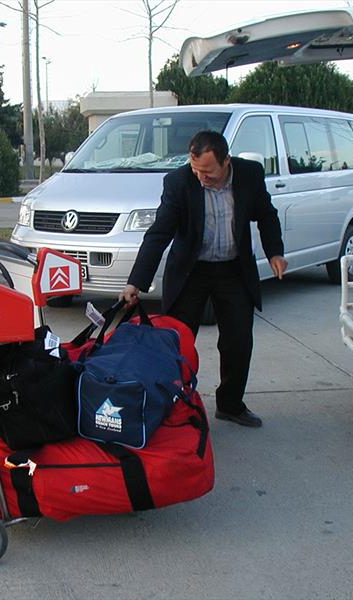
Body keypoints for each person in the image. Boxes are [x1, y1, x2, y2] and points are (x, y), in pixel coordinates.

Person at [120, 130, 287, 428]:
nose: (201, 177)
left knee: (238, 342)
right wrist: (136, 281)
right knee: (177, 342)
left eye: (208, 171)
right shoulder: (178, 182)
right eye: (196, 170)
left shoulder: (249, 174)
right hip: (191, 271)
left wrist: (275, 251)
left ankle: (231, 404)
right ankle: (172, 405)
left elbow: (266, 214)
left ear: (226, 161)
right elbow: (159, 234)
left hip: (233, 269)